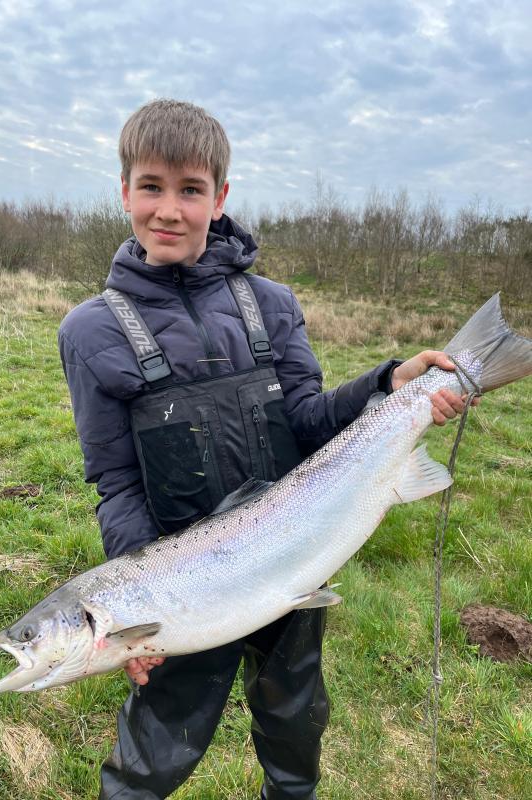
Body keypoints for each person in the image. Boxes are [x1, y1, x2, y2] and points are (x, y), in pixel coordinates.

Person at [58, 99, 474, 800]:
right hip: (182, 587)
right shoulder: (89, 331)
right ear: (124, 190)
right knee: (151, 756)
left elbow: (310, 422)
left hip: (293, 559)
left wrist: (389, 385)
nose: (169, 209)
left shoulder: (272, 304)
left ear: (219, 198)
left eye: (190, 190)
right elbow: (116, 482)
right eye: (151, 187)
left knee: (295, 723)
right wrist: (134, 613)